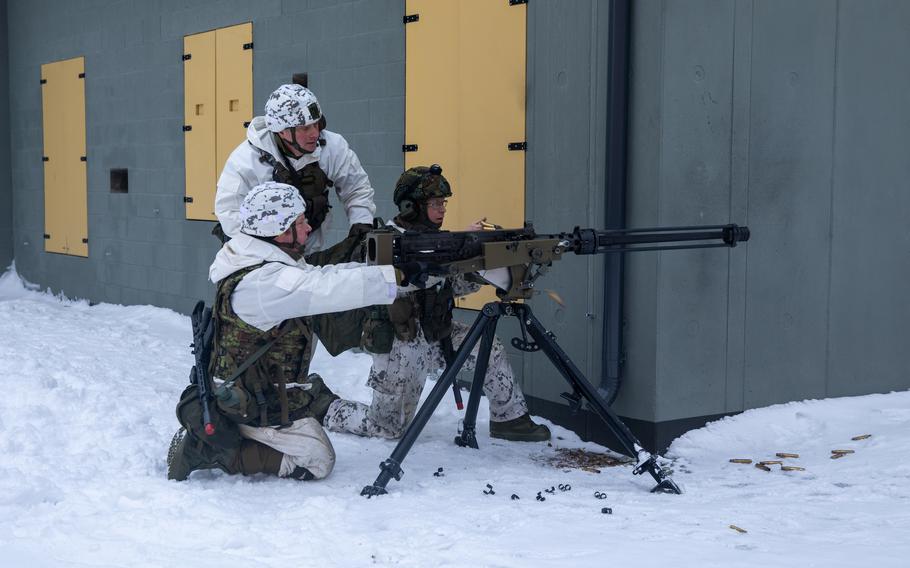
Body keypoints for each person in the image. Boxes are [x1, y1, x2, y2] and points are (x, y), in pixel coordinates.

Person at [167, 182, 419, 482]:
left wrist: (385, 272)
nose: (309, 226)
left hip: (256, 386)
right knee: (318, 460)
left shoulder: (258, 258)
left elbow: (319, 275)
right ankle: (212, 450)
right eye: (301, 222)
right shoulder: (264, 283)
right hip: (252, 400)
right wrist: (394, 278)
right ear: (281, 231)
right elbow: (324, 289)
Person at [323, 165, 551, 442]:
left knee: (489, 349)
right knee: (387, 429)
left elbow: (451, 287)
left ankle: (510, 419)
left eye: (443, 203)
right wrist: (440, 267)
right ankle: (325, 406)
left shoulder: (440, 241)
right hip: (400, 345)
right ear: (411, 206)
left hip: (436, 333)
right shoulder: (383, 242)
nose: (442, 209)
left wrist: (481, 265)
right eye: (434, 204)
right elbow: (392, 284)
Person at [214, 84, 375, 252]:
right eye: (305, 128)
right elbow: (230, 216)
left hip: (311, 246)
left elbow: (356, 188)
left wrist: (361, 223)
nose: (314, 133)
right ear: (282, 131)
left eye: (317, 124)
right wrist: (272, 255)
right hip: (264, 253)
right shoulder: (246, 162)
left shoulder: (332, 147)